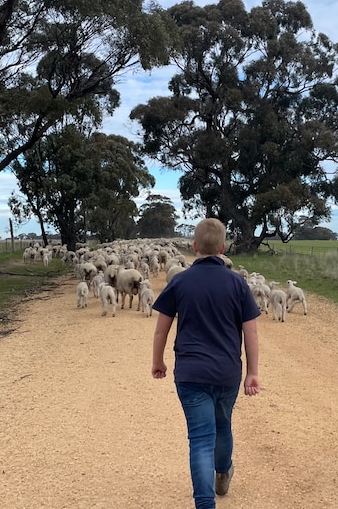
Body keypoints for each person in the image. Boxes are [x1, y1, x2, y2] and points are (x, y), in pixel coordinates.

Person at [151, 218, 261, 509]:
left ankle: (205, 503)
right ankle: (223, 471)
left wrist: (158, 360)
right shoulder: (238, 283)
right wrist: (253, 372)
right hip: (227, 372)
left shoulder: (180, 281)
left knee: (200, 438)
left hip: (190, 373)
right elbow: (250, 331)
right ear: (223, 248)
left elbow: (161, 327)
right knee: (223, 426)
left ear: (194, 246)